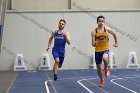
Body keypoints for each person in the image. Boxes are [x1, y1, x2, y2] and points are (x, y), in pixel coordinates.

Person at [91, 15, 118, 87]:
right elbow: (92, 44)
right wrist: (94, 43)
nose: (101, 22)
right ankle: (102, 80)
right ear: (97, 22)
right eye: (99, 21)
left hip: (105, 48)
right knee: (99, 69)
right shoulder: (94, 32)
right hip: (97, 51)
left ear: (104, 22)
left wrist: (116, 43)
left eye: (102, 21)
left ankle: (106, 68)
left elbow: (114, 33)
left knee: (105, 58)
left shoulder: (107, 29)